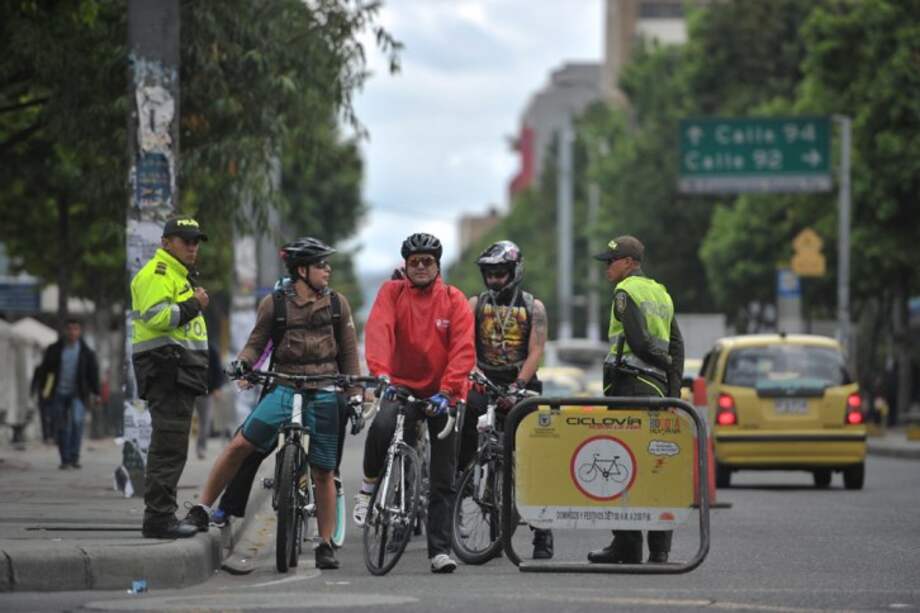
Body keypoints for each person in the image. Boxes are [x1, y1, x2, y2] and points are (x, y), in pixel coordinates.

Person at [185, 237, 361, 570]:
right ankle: (202, 510)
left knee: (324, 472)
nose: (328, 269)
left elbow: (350, 354)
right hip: (283, 388)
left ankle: (324, 544)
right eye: (321, 264)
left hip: (324, 392)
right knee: (239, 444)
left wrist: (354, 397)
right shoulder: (274, 304)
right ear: (301, 270)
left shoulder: (338, 304)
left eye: (327, 263)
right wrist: (243, 364)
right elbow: (255, 344)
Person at [355, 232, 475, 574]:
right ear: (405, 266)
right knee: (381, 425)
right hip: (402, 387)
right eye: (414, 262)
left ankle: (440, 550)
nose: (421, 267)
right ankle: (367, 490)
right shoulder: (391, 293)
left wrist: (448, 391)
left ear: (437, 266)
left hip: (443, 393)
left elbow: (463, 349)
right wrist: (382, 376)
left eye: (427, 262)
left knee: (442, 476)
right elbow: (379, 331)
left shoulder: (454, 300)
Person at [587, 235, 684, 565]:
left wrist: (664, 363)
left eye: (611, 262)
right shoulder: (662, 292)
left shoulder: (625, 292)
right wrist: (673, 389)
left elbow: (640, 343)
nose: (606, 268)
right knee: (657, 467)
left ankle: (627, 545)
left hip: (630, 388)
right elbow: (677, 344)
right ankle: (660, 549)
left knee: (623, 465)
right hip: (657, 391)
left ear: (629, 263)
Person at [457, 240, 553, 560]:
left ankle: (543, 535)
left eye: (500, 273)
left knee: (533, 459)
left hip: (521, 382)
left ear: (514, 271)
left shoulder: (533, 307)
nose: (494, 280)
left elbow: (537, 350)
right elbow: (465, 343)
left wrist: (518, 385)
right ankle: (465, 482)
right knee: (464, 428)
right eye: (489, 274)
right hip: (484, 381)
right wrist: (473, 373)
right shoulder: (475, 304)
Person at [131, 216, 210, 539]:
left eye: (196, 241)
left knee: (173, 447)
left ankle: (163, 514)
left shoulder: (179, 276)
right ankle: (159, 518)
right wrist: (194, 304)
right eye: (185, 240)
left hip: (178, 370)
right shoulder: (158, 274)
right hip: (167, 370)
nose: (192, 247)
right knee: (168, 447)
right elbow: (159, 316)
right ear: (166, 243)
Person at [35, 317, 100, 468]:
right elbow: (45, 371)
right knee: (62, 425)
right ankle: (65, 459)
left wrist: (96, 393)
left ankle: (74, 457)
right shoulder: (55, 349)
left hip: (78, 393)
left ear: (80, 331)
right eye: (69, 328)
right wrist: (44, 390)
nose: (72, 332)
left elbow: (93, 374)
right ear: (65, 330)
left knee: (77, 422)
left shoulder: (86, 352)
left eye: (75, 329)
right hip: (58, 392)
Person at [194, 343, 226, 460]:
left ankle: (201, 448)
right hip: (188, 388)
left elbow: (218, 368)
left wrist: (217, 387)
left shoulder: (211, 348)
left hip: (206, 390)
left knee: (205, 422)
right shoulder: (188, 345)